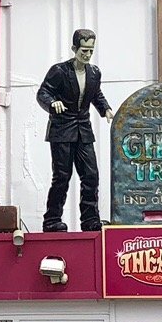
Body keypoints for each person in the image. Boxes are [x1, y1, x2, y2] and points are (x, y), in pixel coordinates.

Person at [36, 28, 111, 232]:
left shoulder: (94, 72)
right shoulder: (59, 71)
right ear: (74, 49)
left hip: (83, 128)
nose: (87, 55)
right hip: (62, 129)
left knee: (91, 175)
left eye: (90, 50)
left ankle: (90, 220)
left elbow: (96, 95)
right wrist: (52, 103)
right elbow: (43, 92)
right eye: (83, 50)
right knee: (61, 176)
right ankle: (51, 220)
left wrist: (106, 110)